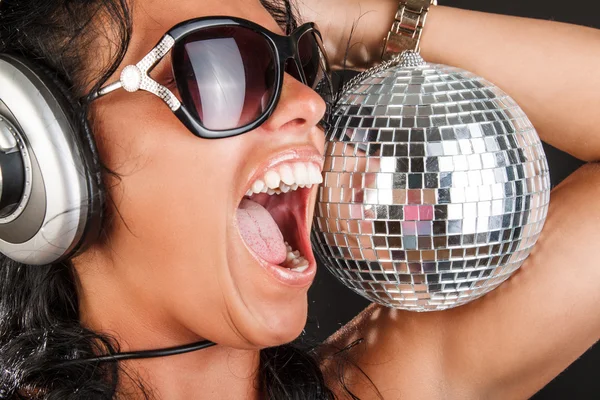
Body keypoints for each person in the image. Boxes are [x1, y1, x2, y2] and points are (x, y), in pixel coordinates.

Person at [0, 0, 598, 399]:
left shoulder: (386, 383)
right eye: (221, 67)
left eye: (300, 63)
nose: (309, 106)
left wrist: (362, 23)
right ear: (48, 158)